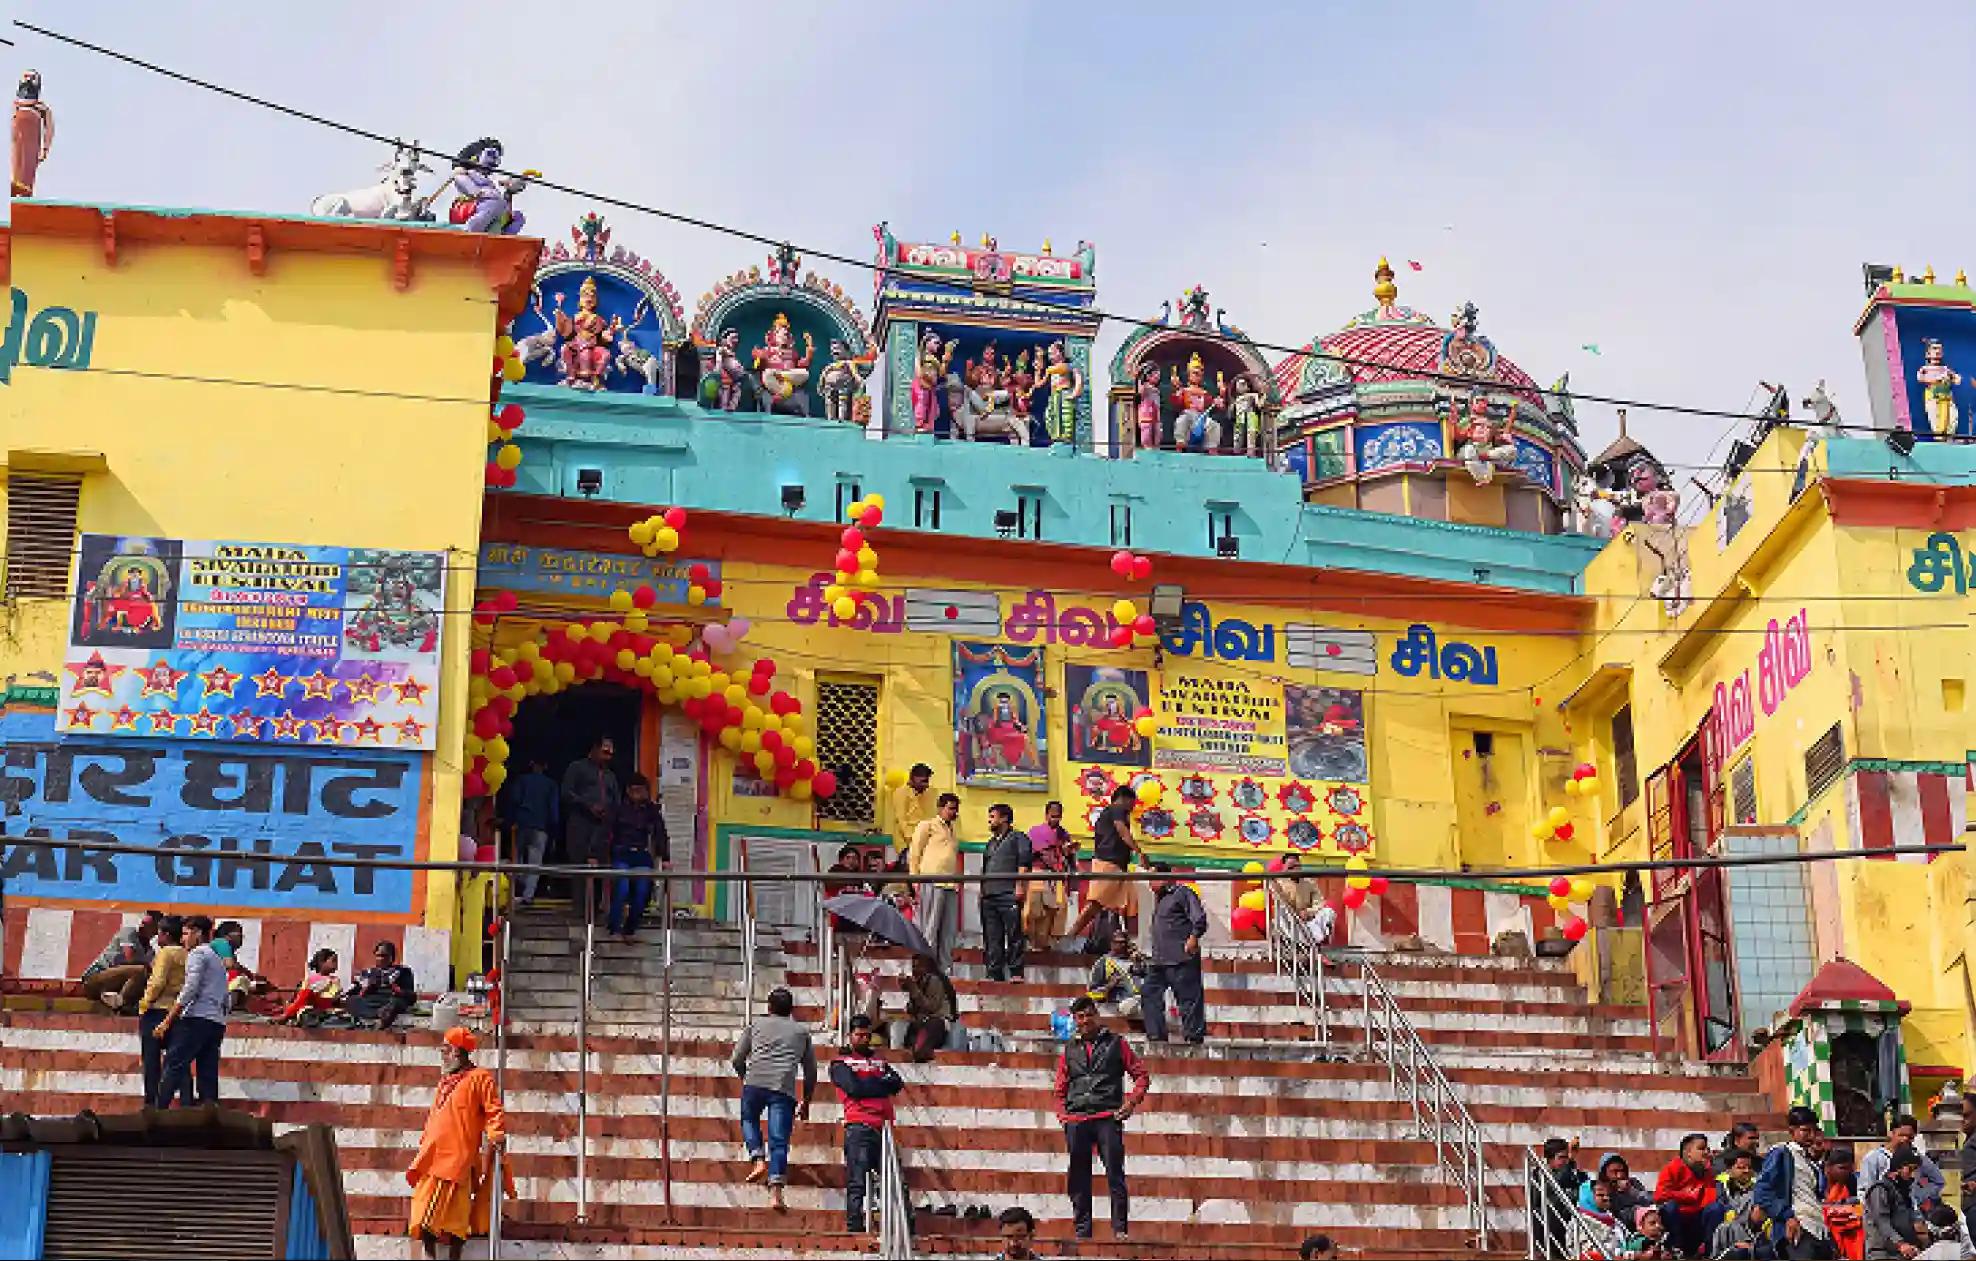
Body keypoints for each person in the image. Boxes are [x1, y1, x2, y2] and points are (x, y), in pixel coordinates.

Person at [406, 1026, 507, 1261]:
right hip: (432, 1156)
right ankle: (429, 1256)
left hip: (459, 1158)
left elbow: (494, 1110)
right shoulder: (445, 1081)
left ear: (458, 1052)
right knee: (423, 1214)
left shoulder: (480, 1078)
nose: (443, 1053)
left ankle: (455, 1257)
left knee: (457, 1219)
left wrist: (496, 1134)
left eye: (446, 1049)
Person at [1055, 995, 1150, 1241]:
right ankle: (1082, 1231)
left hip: (1107, 1116)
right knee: (1078, 1177)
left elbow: (1141, 1075)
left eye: (1089, 1015)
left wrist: (1131, 1102)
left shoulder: (1117, 1043)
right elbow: (1060, 1085)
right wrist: (1062, 1113)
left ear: (1097, 1015)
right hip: (1076, 1118)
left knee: (1115, 1175)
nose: (1085, 1021)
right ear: (1075, 1020)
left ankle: (1120, 1229)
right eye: (1080, 1017)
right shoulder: (1069, 1049)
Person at [731, 987, 816, 1212]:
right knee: (779, 1141)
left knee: (749, 1119)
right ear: (791, 1010)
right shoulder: (801, 1033)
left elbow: (736, 1058)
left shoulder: (755, 1026)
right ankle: (776, 1194)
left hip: (755, 1084)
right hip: (783, 1089)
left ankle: (758, 1158)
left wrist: (745, 1077)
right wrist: (806, 1101)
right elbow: (811, 1072)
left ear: (769, 1008)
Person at [830, 1014, 903, 1233]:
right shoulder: (839, 1063)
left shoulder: (880, 1061)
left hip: (884, 1127)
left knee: (895, 1180)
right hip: (859, 1126)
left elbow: (897, 1083)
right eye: (859, 1035)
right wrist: (879, 1082)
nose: (863, 1039)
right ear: (850, 1035)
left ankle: (903, 1224)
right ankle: (855, 1225)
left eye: (866, 1035)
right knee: (857, 1181)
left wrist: (868, 1082)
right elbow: (854, 1089)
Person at [153, 915, 228, 1108]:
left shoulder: (198, 954)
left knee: (174, 1064)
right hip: (216, 1022)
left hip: (196, 1019)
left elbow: (190, 988)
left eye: (186, 934)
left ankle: (158, 1111)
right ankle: (209, 1114)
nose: (182, 939)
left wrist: (168, 1019)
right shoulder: (216, 960)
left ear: (197, 933)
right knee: (207, 1072)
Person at [1064, 785, 1147, 947]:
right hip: (1108, 862)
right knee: (1097, 903)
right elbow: (1122, 831)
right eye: (1133, 803)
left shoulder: (1109, 813)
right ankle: (1071, 934)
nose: (1133, 807)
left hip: (1119, 865)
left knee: (1129, 903)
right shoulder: (1117, 809)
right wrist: (1139, 852)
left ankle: (1130, 943)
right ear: (1124, 798)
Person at [1141, 865, 1208, 1045]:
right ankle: (1156, 1035)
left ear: (1166, 877)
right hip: (1159, 960)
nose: (1151, 883)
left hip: (1181, 957)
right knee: (1149, 993)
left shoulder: (1182, 893)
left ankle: (1193, 1038)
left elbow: (1199, 918)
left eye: (1154, 878)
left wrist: (1193, 938)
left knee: (1188, 1000)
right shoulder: (1160, 900)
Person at [1757, 1107, 1832, 1253]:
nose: (1810, 1136)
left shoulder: (1810, 1161)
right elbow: (1763, 1192)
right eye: (1805, 1131)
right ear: (1792, 1131)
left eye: (1813, 1131)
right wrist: (1787, 1217)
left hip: (1817, 1228)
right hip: (1797, 1228)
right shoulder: (1781, 1153)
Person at [606, 773, 669, 938]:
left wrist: (666, 857)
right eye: (635, 790)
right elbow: (605, 832)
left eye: (642, 791)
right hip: (621, 853)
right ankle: (614, 926)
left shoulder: (651, 810)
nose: (639, 794)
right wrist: (596, 853)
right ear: (628, 791)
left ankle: (630, 928)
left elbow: (660, 834)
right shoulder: (618, 809)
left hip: (641, 854)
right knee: (622, 888)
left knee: (642, 891)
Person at [137, 914, 189, 1107]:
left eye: (159, 933)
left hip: (157, 1010)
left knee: (151, 1062)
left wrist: (144, 1004)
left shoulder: (166, 953)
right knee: (177, 1062)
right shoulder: (187, 954)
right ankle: (186, 1102)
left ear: (165, 934)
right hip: (178, 1011)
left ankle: (152, 1104)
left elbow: (157, 982)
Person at [979, 803, 1033, 982]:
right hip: (989, 895)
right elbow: (985, 868)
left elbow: (1024, 863)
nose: (989, 820)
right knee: (992, 936)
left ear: (1004, 818)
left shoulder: (1018, 838)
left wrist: (1019, 886)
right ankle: (994, 973)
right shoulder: (991, 843)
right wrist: (982, 891)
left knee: (1014, 934)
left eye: (992, 816)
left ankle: (1016, 972)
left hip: (1008, 893)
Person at [909, 792, 962, 972]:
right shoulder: (927, 825)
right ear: (940, 808)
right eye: (951, 808)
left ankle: (944, 969)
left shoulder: (954, 831)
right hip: (931, 882)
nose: (954, 812)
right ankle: (926, 968)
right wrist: (915, 880)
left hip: (950, 885)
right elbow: (914, 853)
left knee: (948, 931)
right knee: (929, 928)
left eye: (956, 809)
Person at [1653, 1131, 1726, 1256]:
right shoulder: (1672, 1168)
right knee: (1670, 1207)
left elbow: (1710, 1200)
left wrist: (1708, 1170)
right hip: (1677, 1219)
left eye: (1707, 1149)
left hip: (1696, 1220)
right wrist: (1687, 1196)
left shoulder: (1707, 1171)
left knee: (1716, 1208)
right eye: (1701, 1149)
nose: (1706, 1153)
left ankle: (1710, 1253)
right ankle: (1675, 1250)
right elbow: (1659, 1196)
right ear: (1688, 1153)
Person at [80, 909, 162, 1013]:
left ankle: (123, 1002)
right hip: (94, 979)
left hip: (113, 986)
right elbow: (129, 958)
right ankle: (120, 1002)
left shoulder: (150, 951)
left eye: (147, 925)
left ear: (155, 930)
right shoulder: (129, 932)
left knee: (147, 975)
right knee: (141, 970)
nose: (142, 926)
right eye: (143, 923)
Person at [1862, 1116, 1947, 1212]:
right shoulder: (1874, 1158)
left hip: (1910, 1212)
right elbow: (1865, 1190)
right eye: (1901, 1135)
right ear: (1892, 1133)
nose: (1905, 1139)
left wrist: (1919, 1195)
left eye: (1910, 1137)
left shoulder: (1919, 1158)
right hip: (1883, 1212)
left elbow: (1939, 1182)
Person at [505, 756, 559, 906]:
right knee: (535, 863)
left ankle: (516, 889)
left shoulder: (522, 781)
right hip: (541, 827)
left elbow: (514, 800)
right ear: (546, 766)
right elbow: (554, 811)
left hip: (521, 824)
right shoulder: (551, 785)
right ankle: (528, 895)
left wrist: (510, 822)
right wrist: (553, 830)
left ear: (531, 764)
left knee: (517, 859)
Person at [562, 736, 621, 870]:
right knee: (579, 871)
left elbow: (616, 801)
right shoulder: (577, 767)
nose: (608, 758)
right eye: (605, 752)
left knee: (603, 872)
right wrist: (588, 806)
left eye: (611, 754)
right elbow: (566, 793)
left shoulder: (610, 776)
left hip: (603, 830)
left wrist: (609, 813)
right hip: (580, 826)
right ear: (595, 749)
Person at [1025, 801, 1075, 947]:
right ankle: (1033, 944)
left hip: (1057, 877)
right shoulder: (1036, 831)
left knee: (1055, 911)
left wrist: (1067, 852)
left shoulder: (1064, 834)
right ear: (1046, 815)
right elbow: (1042, 854)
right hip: (1038, 874)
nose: (1055, 820)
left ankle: (1048, 944)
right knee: (1035, 911)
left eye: (1058, 817)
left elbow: (1068, 859)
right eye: (1053, 816)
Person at [1864, 1145, 1924, 1259]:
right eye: (1910, 1170)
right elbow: (1881, 1221)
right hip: (1883, 1253)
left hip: (1902, 1253)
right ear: (1898, 1168)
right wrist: (1900, 1244)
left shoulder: (1903, 1190)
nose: (1912, 1175)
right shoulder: (1880, 1189)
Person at [1533, 1136, 1587, 1259]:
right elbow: (1553, 1188)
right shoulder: (1538, 1176)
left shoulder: (1573, 1174)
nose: (1565, 1161)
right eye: (1561, 1157)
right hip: (1549, 1233)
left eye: (1566, 1157)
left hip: (1569, 1230)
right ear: (1549, 1159)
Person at [346, 940, 417, 1029]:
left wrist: (399, 991)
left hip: (389, 1000)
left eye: (384, 956)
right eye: (378, 955)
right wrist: (365, 989)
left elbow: (412, 996)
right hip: (371, 1001)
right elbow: (353, 992)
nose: (381, 959)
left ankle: (382, 1021)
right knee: (352, 1001)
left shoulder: (403, 972)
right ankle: (372, 1017)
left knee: (396, 1003)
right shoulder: (367, 973)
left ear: (392, 957)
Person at [902, 953, 958, 1063]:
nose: (915, 969)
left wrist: (914, 990)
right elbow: (913, 1010)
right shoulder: (918, 981)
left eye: (918, 966)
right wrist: (909, 990)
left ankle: (922, 1053)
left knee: (933, 1025)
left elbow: (932, 1007)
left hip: (939, 1021)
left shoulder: (935, 980)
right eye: (913, 966)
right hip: (922, 1021)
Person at [1578, 1152, 1652, 1229]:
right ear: (1604, 1173)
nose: (1619, 1175)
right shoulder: (1599, 1189)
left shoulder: (1633, 1183)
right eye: (1614, 1171)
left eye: (1622, 1171)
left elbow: (1648, 1201)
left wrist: (1631, 1190)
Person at [1086, 932, 1146, 1025]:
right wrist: (1110, 985)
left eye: (1124, 942)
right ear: (1112, 944)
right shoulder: (1103, 963)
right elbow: (1092, 993)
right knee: (1129, 1006)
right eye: (1119, 942)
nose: (1122, 945)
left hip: (1140, 1003)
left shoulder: (1137, 961)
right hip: (1116, 1005)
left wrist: (1138, 962)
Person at [279, 949, 342, 1024]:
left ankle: (287, 1015)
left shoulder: (334, 980)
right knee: (306, 994)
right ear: (322, 962)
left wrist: (323, 987)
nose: (336, 965)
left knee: (308, 993)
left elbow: (333, 996)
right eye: (333, 961)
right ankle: (288, 1014)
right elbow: (301, 997)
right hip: (310, 1007)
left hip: (324, 1007)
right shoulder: (310, 979)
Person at [1824, 1146, 1866, 1260]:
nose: (1846, 1172)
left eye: (1849, 1169)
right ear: (1828, 1167)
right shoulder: (1817, 1186)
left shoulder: (1850, 1185)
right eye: (1842, 1168)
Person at [892, 763, 934, 853]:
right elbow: (901, 821)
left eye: (927, 781)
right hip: (905, 844)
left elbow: (929, 818)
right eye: (922, 781)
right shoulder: (901, 793)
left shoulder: (928, 793)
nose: (926, 784)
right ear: (913, 779)